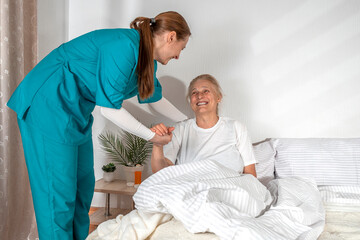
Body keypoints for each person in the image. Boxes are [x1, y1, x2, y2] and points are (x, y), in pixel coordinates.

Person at [7, 11, 190, 240]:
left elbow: (154, 99)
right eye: (181, 49)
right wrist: (151, 137)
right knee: (58, 197)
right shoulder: (124, 47)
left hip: (76, 112)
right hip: (48, 105)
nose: (179, 56)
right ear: (171, 37)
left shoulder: (147, 58)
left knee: (83, 189)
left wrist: (188, 122)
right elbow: (110, 109)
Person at [151, 74, 257, 177]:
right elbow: (162, 173)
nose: (199, 96)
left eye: (206, 91)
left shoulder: (236, 127)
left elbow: (250, 174)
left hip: (231, 188)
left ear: (218, 97)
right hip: (192, 189)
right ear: (190, 101)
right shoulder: (180, 129)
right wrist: (158, 145)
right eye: (194, 92)